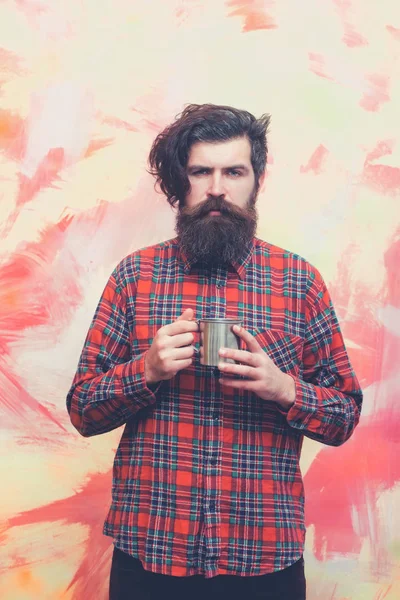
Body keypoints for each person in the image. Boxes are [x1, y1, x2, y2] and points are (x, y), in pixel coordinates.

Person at [67, 104, 363, 600]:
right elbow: (82, 411)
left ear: (257, 179)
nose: (217, 188)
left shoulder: (299, 282)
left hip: (264, 558)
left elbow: (346, 415)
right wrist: (147, 370)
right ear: (178, 182)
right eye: (201, 171)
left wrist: (284, 388)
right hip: (151, 553)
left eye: (234, 171)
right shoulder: (134, 278)